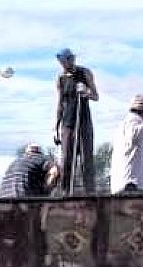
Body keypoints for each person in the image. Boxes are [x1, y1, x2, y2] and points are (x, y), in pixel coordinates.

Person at [53, 48, 98, 194]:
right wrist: (56, 126)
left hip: (83, 121)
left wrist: (85, 92)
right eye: (64, 61)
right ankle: (66, 193)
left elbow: (96, 96)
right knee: (66, 159)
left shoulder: (84, 73)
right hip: (67, 122)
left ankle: (89, 193)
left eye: (70, 59)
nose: (68, 62)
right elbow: (59, 103)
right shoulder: (61, 78)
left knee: (86, 160)